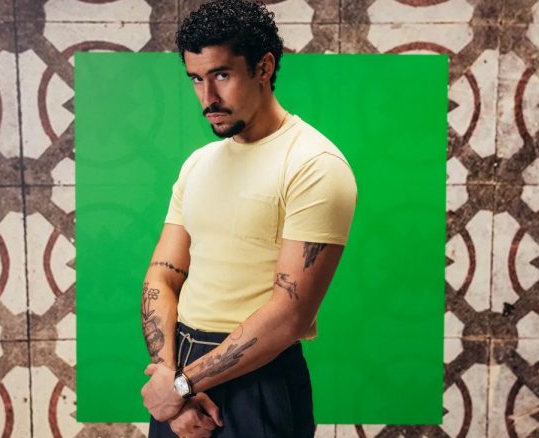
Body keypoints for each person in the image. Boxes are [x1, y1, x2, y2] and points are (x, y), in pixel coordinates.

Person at [140, 1, 357, 436]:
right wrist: (168, 380)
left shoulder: (314, 164)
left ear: (264, 67)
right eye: (196, 79)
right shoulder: (198, 164)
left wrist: (181, 385)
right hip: (179, 370)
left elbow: (290, 316)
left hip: (258, 377)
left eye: (221, 75)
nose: (208, 98)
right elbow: (162, 276)